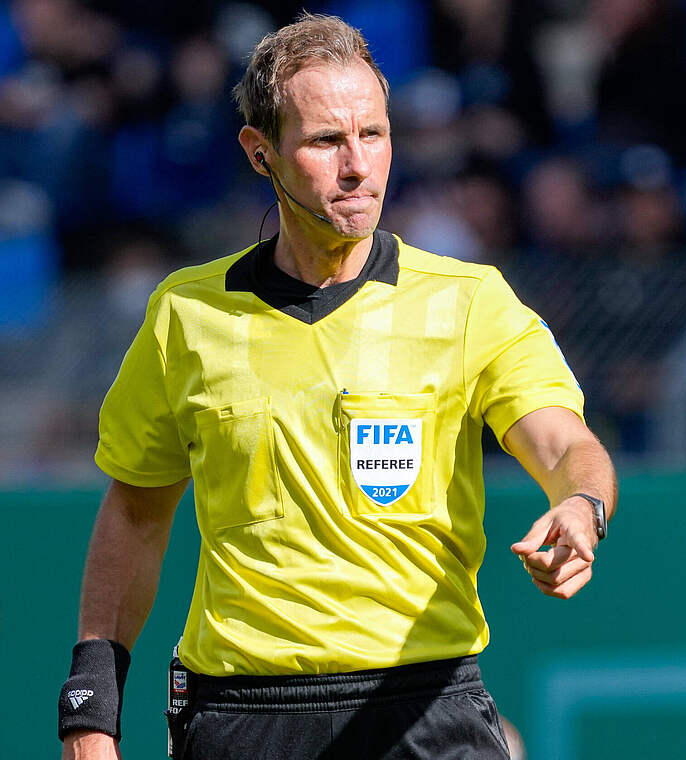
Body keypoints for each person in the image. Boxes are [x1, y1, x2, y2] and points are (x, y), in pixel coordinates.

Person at [57, 13, 617, 760]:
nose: (358, 165)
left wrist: (581, 506)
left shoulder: (470, 300)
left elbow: (565, 443)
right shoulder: (186, 314)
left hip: (426, 707)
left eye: (374, 134)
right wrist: (91, 709)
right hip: (240, 714)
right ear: (260, 152)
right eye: (326, 141)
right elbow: (135, 514)